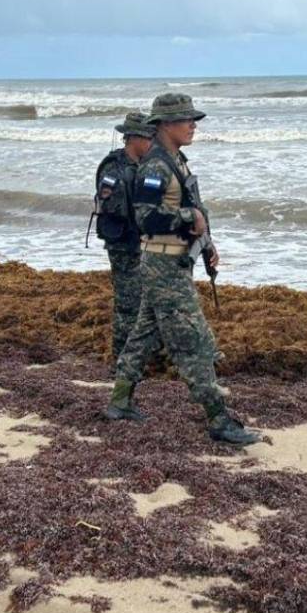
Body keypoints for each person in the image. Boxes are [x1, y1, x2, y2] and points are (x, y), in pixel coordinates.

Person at [105, 93, 259, 446]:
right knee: (193, 343)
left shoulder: (177, 160)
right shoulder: (156, 167)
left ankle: (120, 401)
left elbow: (194, 207)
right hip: (163, 266)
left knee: (144, 335)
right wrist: (191, 219)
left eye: (193, 119)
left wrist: (207, 245)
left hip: (174, 261)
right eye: (185, 120)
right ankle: (219, 419)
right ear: (163, 125)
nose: (193, 125)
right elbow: (145, 217)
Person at [93, 110, 155, 360]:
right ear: (132, 138)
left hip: (144, 243)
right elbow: (115, 207)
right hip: (124, 245)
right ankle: (121, 360)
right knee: (128, 305)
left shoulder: (146, 165)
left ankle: (142, 356)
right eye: (147, 138)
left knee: (146, 302)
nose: (151, 143)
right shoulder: (114, 168)